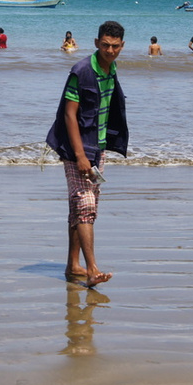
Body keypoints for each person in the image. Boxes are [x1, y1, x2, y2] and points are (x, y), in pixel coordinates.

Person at [46, 21, 128, 288]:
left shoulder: (111, 69)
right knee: (86, 207)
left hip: (98, 147)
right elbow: (69, 114)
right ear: (96, 43)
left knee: (79, 209)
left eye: (115, 46)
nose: (110, 50)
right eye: (105, 45)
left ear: (122, 46)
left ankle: (73, 265)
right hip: (76, 149)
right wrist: (80, 156)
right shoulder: (81, 71)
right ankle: (92, 269)